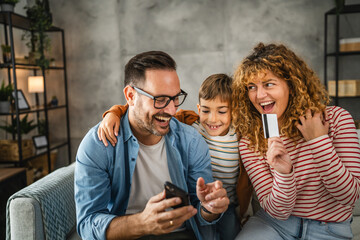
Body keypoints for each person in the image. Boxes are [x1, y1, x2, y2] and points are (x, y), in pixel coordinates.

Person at [75, 51, 230, 240]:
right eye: (160, 100)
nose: (172, 110)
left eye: (175, 98)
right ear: (131, 96)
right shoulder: (98, 145)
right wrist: (142, 223)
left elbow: (201, 212)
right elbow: (88, 225)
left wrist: (209, 209)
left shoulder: (192, 141)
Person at [97, 74, 253, 239]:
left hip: (227, 203)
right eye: (206, 110)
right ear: (199, 109)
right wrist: (114, 113)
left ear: (234, 112)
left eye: (222, 111)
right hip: (197, 201)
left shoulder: (239, 136)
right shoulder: (191, 124)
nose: (212, 119)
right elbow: (144, 113)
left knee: (233, 233)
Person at [231, 43, 360, 239]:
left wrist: (318, 141)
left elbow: (349, 195)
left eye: (268, 84)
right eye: (251, 87)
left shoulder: (336, 119)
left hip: (329, 229)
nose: (259, 95)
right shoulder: (251, 140)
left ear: (291, 84)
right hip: (274, 225)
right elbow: (278, 211)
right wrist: (284, 173)